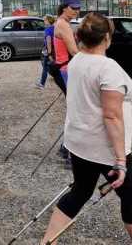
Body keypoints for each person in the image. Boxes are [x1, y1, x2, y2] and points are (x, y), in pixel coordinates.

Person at [41, 13, 132, 244]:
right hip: (109, 149)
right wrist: (120, 160)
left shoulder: (77, 60)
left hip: (79, 143)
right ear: (107, 38)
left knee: (80, 191)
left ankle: (47, 241)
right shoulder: (108, 67)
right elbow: (112, 115)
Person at [53, 0, 81, 167]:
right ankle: (71, 154)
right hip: (66, 71)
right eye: (73, 7)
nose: (77, 10)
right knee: (75, 113)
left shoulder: (64, 23)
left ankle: (65, 148)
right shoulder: (63, 24)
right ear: (64, 7)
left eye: (78, 8)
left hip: (64, 70)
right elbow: (73, 51)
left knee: (74, 110)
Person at [36, 15, 55, 89]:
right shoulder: (54, 28)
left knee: (46, 67)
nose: (44, 22)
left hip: (48, 52)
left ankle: (42, 84)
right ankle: (42, 83)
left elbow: (49, 41)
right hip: (53, 51)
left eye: (45, 20)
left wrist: (49, 53)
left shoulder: (48, 30)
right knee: (47, 67)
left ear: (49, 20)